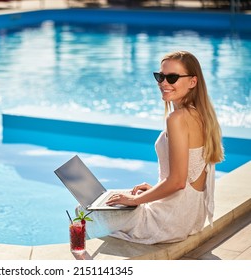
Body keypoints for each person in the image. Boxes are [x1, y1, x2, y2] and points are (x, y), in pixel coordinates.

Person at [79, 51, 224, 244]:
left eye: (172, 77)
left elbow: (178, 182)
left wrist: (136, 200)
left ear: (192, 82)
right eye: (160, 76)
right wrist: (153, 191)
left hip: (168, 221)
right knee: (108, 201)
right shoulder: (199, 115)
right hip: (186, 216)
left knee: (83, 212)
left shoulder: (178, 119)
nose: (164, 83)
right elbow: (187, 178)